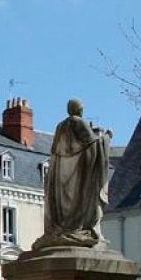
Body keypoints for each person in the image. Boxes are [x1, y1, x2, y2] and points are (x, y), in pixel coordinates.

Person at [34, 98, 111, 249]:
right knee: (79, 203)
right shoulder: (79, 123)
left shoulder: (60, 127)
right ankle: (78, 229)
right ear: (78, 109)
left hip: (62, 177)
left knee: (64, 207)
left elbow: (55, 152)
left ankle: (65, 228)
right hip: (79, 174)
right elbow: (93, 145)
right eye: (81, 108)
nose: (82, 110)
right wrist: (106, 138)